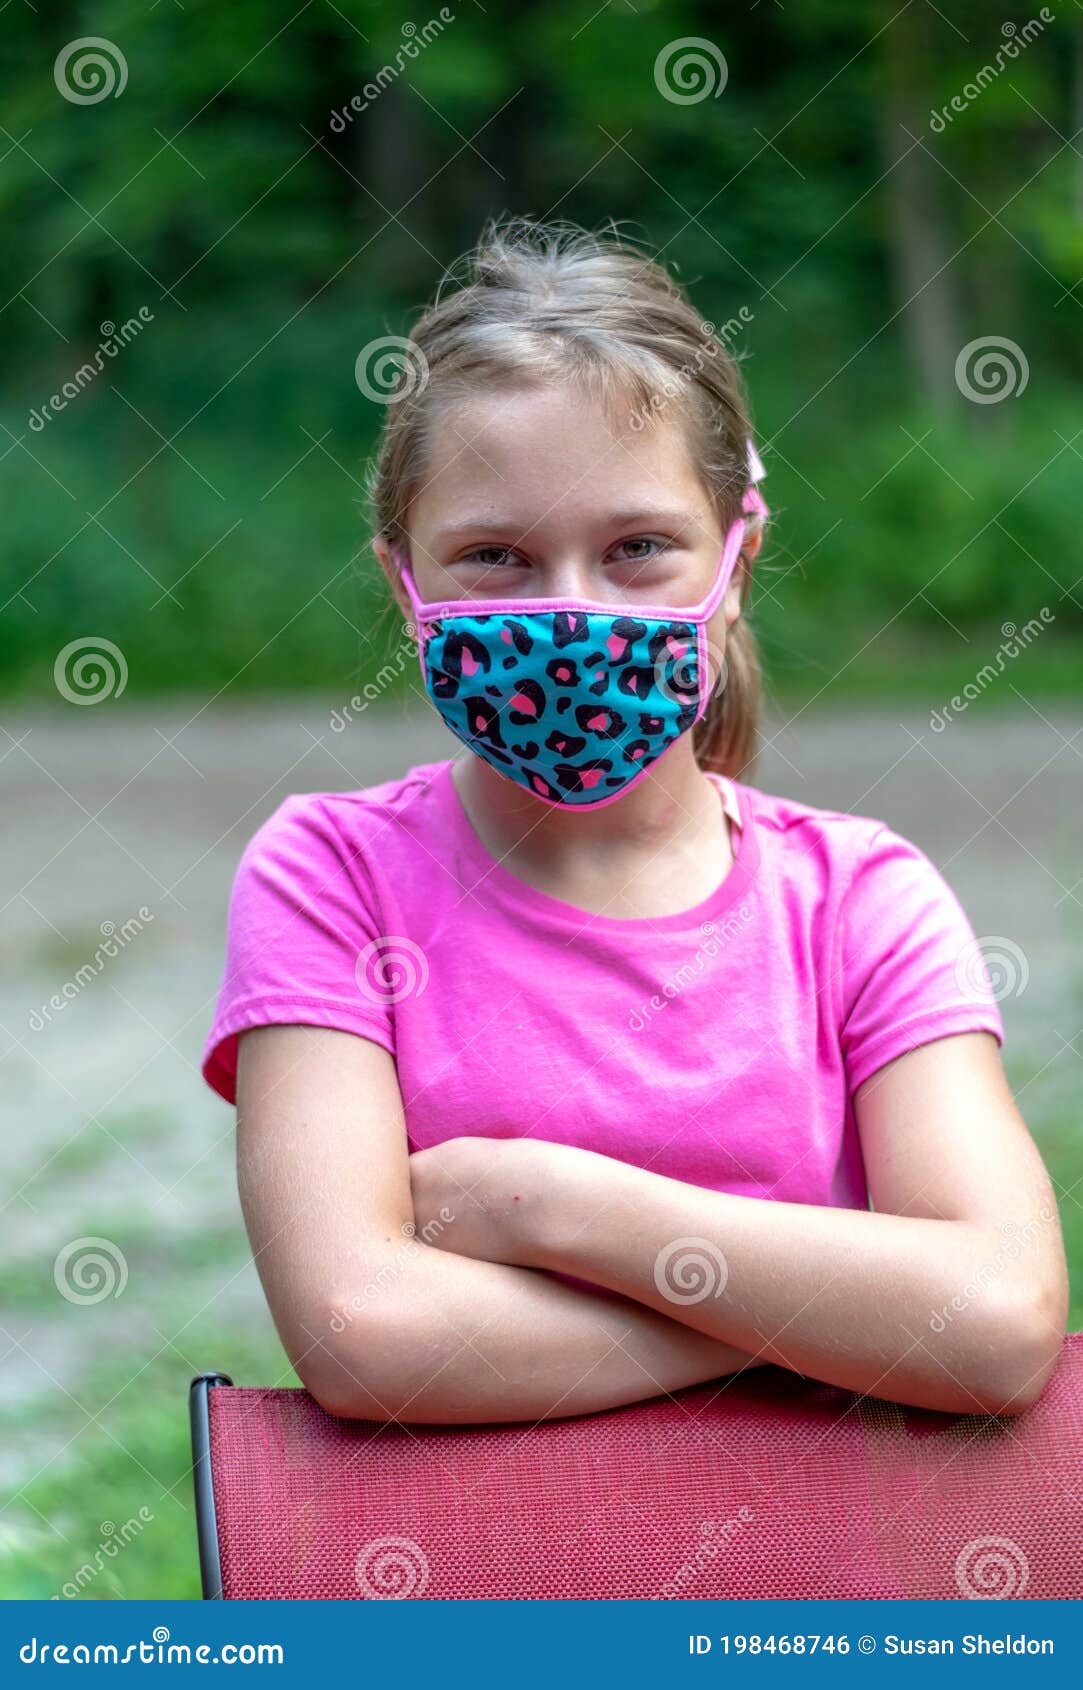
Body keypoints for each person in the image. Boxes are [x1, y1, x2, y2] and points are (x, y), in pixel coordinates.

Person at [202, 219, 1067, 1424]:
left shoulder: (862, 899)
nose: (570, 615)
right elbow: (365, 1333)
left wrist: (548, 1207)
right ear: (404, 580)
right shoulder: (333, 875)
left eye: (637, 549)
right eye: (496, 555)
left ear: (736, 562)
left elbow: (997, 1320)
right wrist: (815, 1312)